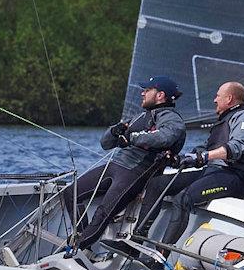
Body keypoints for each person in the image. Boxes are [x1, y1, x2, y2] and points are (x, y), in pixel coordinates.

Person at [135, 81, 244, 251]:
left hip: (235, 176)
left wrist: (204, 157)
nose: (214, 100)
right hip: (213, 171)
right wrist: (178, 159)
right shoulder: (223, 121)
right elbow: (205, 149)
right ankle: (137, 240)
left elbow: (236, 148)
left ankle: (161, 255)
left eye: (217, 96)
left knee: (183, 199)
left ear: (229, 98)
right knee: (156, 184)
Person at [62, 75, 186, 255]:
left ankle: (74, 250)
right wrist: (114, 131)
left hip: (135, 172)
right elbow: (105, 144)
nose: (142, 93)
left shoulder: (172, 119)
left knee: (103, 213)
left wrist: (132, 137)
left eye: (147, 90)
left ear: (160, 95)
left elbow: (166, 136)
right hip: (114, 165)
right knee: (71, 193)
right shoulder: (140, 116)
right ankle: (83, 241)